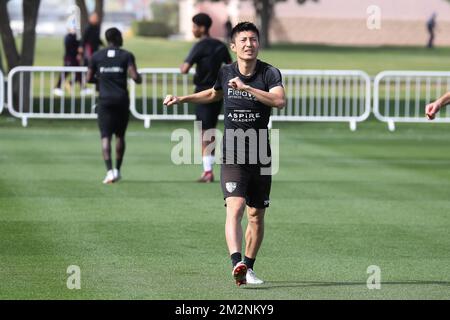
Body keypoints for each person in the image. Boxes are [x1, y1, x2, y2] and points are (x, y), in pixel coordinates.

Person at [164, 22, 286, 286]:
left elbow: (279, 101)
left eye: (253, 39)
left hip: (260, 153)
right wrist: (182, 99)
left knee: (256, 214)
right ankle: (236, 262)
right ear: (233, 46)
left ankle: (249, 268)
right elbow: (212, 94)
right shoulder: (225, 72)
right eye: (243, 40)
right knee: (236, 206)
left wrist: (247, 88)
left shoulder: (269, 73)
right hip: (232, 153)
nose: (248, 44)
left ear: (258, 44)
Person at [180, 13, 232, 183]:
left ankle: (208, 171)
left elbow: (184, 69)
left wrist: (186, 64)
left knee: (205, 132)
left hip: (203, 92)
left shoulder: (199, 46)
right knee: (209, 129)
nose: (193, 29)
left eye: (194, 26)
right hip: (218, 93)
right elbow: (230, 66)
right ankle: (208, 169)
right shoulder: (220, 46)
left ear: (202, 28)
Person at [86, 27, 142, 184]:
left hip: (104, 101)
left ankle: (109, 171)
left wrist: (102, 79)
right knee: (120, 136)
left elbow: (88, 78)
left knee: (105, 136)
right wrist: (138, 78)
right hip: (121, 100)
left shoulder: (96, 56)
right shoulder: (126, 55)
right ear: (118, 38)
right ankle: (117, 170)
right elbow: (135, 76)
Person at [79, 13, 103, 95]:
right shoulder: (88, 27)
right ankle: (83, 87)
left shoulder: (96, 28)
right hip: (89, 51)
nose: (96, 19)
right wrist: (81, 48)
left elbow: (97, 39)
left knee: (96, 69)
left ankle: (97, 87)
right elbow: (84, 39)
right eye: (95, 18)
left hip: (95, 51)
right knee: (87, 68)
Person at [53, 26, 81, 97]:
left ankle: (78, 86)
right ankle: (57, 87)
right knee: (65, 73)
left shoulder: (75, 37)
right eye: (73, 28)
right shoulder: (69, 37)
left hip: (74, 58)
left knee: (79, 73)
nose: (74, 30)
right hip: (69, 58)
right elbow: (71, 47)